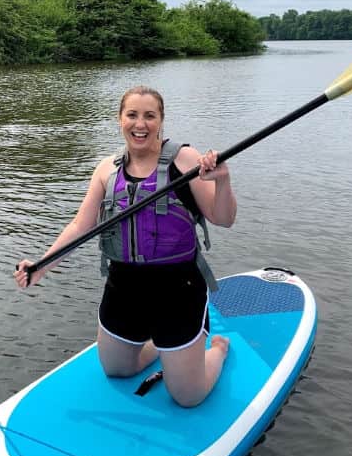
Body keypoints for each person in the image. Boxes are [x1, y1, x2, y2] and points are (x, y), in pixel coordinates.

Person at [14, 85, 237, 408]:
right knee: (117, 370)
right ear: (120, 119)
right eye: (132, 115)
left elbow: (223, 218)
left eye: (150, 116)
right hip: (124, 288)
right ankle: (165, 348)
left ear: (161, 121)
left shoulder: (185, 160)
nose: (140, 124)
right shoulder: (107, 169)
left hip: (177, 289)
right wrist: (40, 267)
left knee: (188, 396)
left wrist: (222, 181)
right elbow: (80, 225)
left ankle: (215, 350)